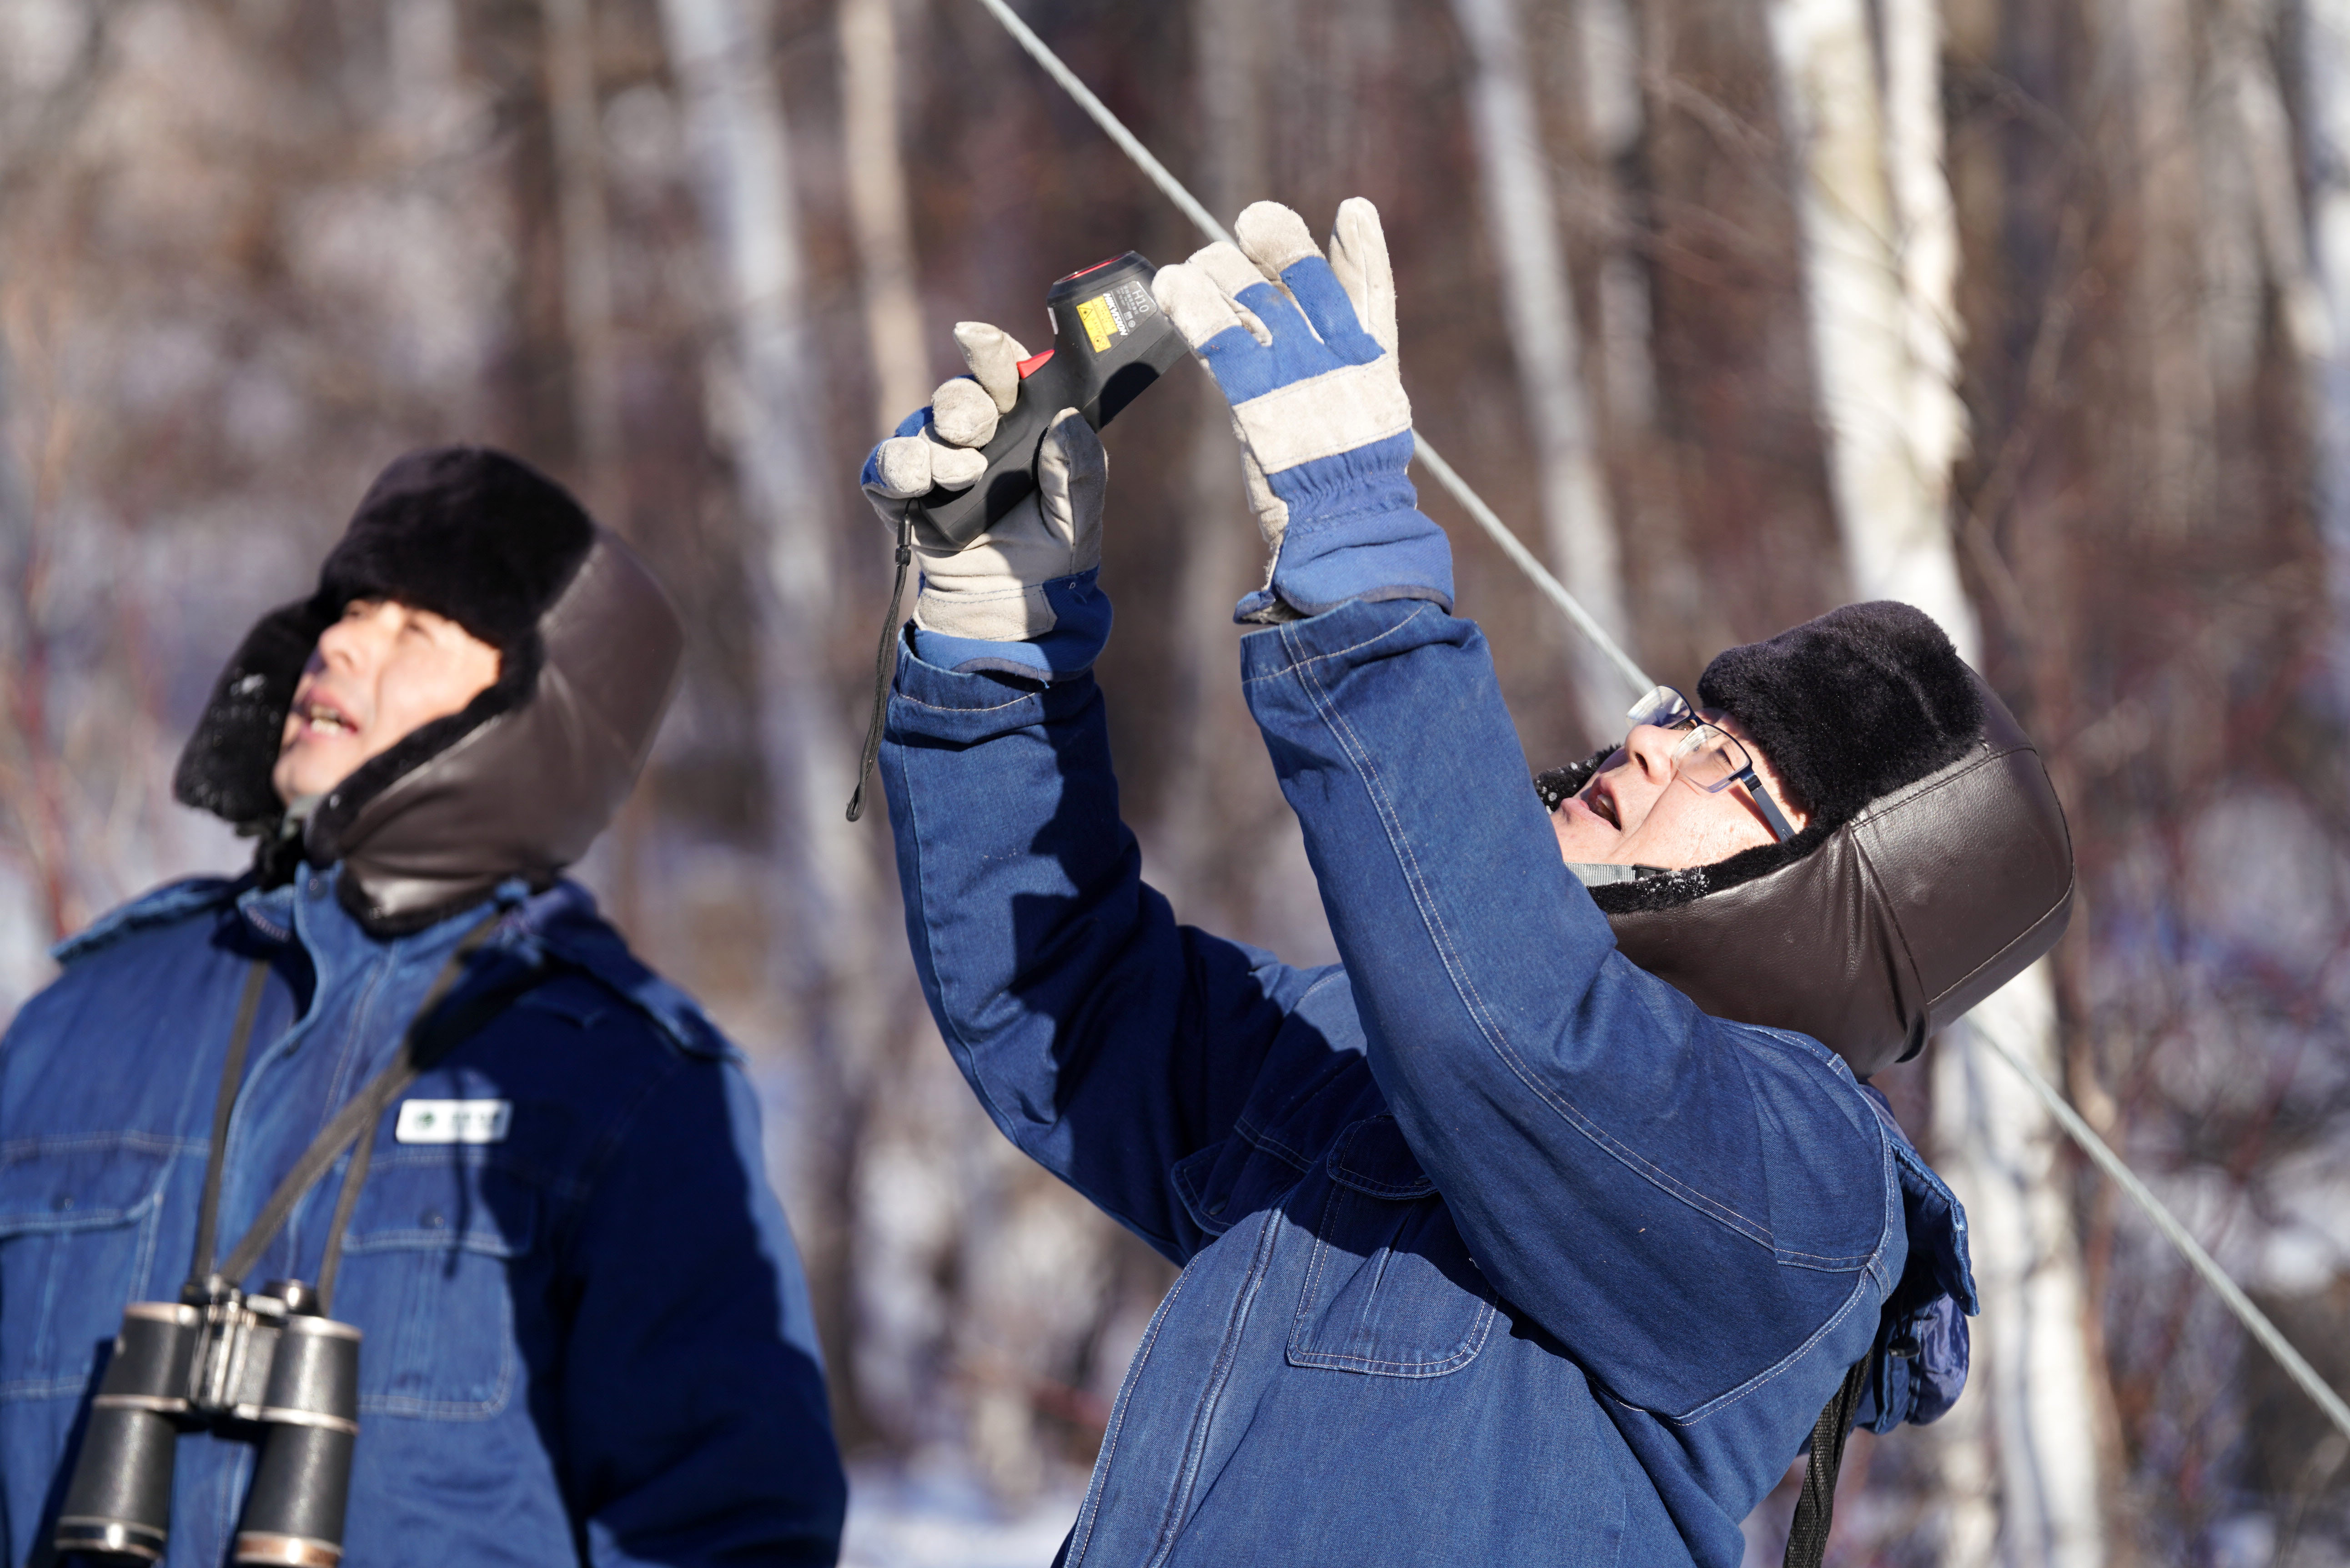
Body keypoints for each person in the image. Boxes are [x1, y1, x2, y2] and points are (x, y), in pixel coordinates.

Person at [860, 200, 2072, 1566]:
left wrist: (1363, 564)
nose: (1649, 744)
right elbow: (1066, 1011)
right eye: (1685, 710)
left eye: (1727, 767)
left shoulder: (1808, 1195)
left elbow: (1519, 1037)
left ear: (1834, 911)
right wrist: (992, 657)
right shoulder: (1377, 1051)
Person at [0, 448, 844, 1566]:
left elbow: (729, 1529)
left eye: (416, 630)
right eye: (350, 608)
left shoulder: (620, 1081)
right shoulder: (78, 1023)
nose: (342, 642)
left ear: (537, 711)